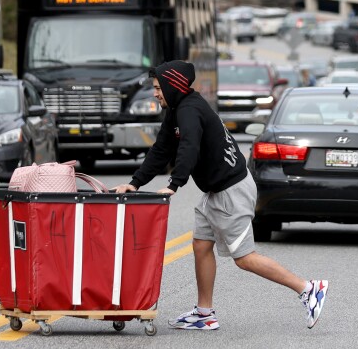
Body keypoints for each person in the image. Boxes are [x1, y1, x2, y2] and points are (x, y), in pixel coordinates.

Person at [112, 60, 329, 330]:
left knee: (245, 258)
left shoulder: (190, 111)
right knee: (201, 245)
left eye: (158, 88)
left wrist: (174, 183)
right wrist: (135, 183)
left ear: (171, 85)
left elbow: (188, 148)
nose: (155, 93)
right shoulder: (177, 109)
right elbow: (161, 150)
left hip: (231, 191)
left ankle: (308, 288)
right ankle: (204, 313)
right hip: (216, 191)